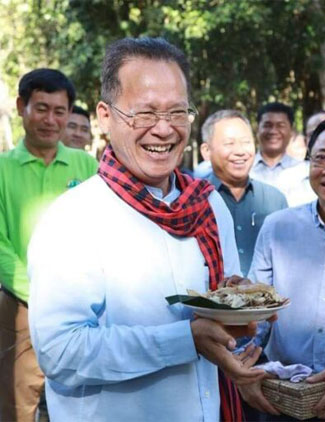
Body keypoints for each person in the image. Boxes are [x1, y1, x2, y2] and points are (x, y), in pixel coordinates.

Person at [27, 37, 268, 422]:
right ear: (105, 117)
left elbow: (218, 308)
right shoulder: (74, 218)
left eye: (176, 113)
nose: (163, 130)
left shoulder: (207, 204)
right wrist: (186, 340)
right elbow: (60, 351)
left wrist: (240, 312)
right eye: (144, 114)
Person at [240, 116, 325, 421]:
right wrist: (245, 369)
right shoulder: (278, 227)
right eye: (321, 158)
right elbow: (258, 313)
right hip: (283, 394)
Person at [0, 68, 98, 422]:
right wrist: (36, 291)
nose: (51, 120)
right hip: (19, 308)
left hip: (83, 307)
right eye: (41, 108)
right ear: (21, 107)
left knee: (82, 403)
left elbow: (101, 230)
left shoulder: (87, 166)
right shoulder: (2, 170)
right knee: (17, 405)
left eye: (60, 111)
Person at [200, 110, 288, 275]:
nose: (240, 151)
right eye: (229, 143)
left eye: (246, 142)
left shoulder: (275, 200)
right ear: (206, 151)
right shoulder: (194, 200)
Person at [251, 102, 316, 206]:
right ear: (257, 129)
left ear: (291, 130)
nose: (273, 131)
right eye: (267, 125)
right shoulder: (244, 169)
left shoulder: (305, 171)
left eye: (280, 125)